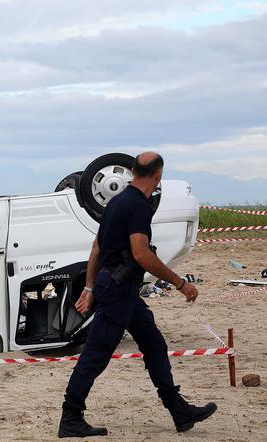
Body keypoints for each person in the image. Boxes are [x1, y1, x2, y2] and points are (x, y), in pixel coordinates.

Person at [57, 152, 217, 438]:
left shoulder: (117, 201)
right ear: (158, 176)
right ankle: (71, 416)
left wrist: (91, 287)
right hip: (118, 290)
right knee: (96, 353)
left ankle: (178, 409)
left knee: (154, 345)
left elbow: (96, 248)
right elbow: (142, 254)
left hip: (119, 288)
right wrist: (181, 283)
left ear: (132, 171)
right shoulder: (138, 206)